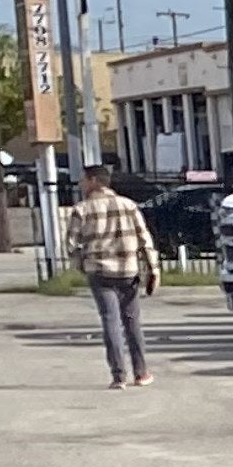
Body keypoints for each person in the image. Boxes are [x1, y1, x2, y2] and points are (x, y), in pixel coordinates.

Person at [63, 164, 159, 387]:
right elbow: (145, 239)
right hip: (128, 270)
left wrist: (81, 263)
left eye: (83, 180)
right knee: (132, 321)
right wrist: (152, 269)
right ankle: (141, 372)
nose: (81, 184)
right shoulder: (129, 206)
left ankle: (118, 375)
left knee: (110, 320)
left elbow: (70, 244)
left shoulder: (82, 210)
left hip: (99, 271)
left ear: (95, 180)